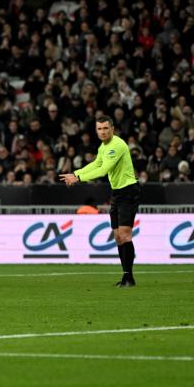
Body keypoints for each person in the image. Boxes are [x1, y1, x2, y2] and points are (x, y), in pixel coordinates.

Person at [59, 116, 140, 287]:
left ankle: (129, 278)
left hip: (128, 191)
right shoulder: (104, 146)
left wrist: (78, 177)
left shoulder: (117, 145)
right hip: (117, 193)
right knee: (118, 236)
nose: (103, 132)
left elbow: (103, 170)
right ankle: (126, 276)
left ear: (112, 128)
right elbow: (96, 163)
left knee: (125, 234)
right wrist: (76, 173)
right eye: (99, 129)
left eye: (105, 128)